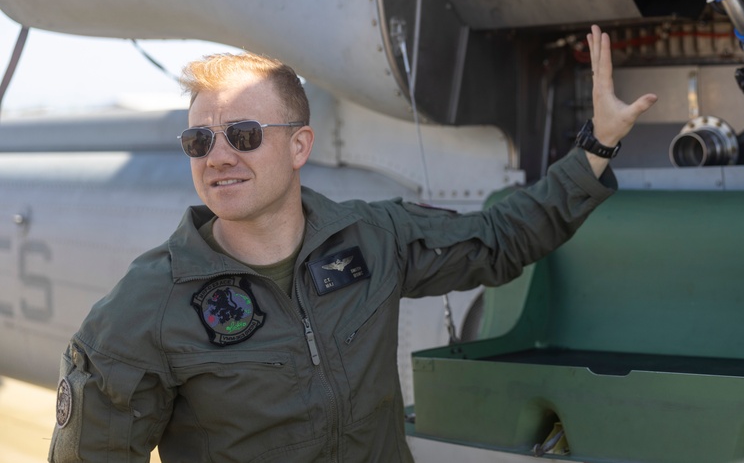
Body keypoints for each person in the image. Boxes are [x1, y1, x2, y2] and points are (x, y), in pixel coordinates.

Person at [48, 25, 657, 463]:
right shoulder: (149, 303)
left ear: (299, 146)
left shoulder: (373, 236)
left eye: (243, 134)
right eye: (198, 143)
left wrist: (595, 148)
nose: (220, 157)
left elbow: (498, 241)